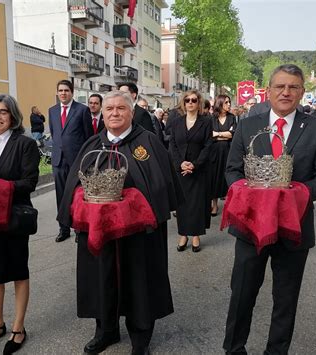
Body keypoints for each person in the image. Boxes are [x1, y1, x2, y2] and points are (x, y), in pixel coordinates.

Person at [57, 90, 183, 355]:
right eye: (109, 109)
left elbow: (161, 184)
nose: (114, 113)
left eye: (120, 109)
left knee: (139, 281)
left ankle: (140, 339)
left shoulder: (147, 143)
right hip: (101, 233)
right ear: (102, 113)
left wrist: (133, 201)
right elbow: (74, 186)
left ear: (132, 112)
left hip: (138, 235)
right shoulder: (92, 144)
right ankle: (106, 331)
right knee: (100, 279)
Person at [223, 64, 316, 354]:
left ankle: (276, 351)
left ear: (301, 92)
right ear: (269, 90)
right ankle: (234, 349)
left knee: (285, 299)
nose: (286, 92)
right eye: (280, 86)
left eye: (293, 87)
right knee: (242, 294)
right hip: (250, 226)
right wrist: (244, 194)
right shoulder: (248, 125)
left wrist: (299, 194)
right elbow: (232, 170)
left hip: (293, 228)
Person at [0, 94, 39, 355]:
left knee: (17, 271)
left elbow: (30, 182)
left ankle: (18, 327)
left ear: (13, 117)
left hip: (13, 218)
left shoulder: (25, 144)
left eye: (3, 112)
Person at [49, 79, 93, 242]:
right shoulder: (52, 111)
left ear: (72, 92)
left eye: (66, 90)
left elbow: (88, 137)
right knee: (61, 195)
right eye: (60, 90)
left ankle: (79, 228)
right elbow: (55, 134)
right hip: (58, 161)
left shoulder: (82, 110)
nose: (63, 93)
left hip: (77, 161)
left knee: (77, 194)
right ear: (57, 92)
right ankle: (64, 228)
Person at [170, 90, 213, 253]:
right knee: (182, 204)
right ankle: (183, 234)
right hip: (180, 170)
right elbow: (172, 145)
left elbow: (208, 146)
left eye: (194, 100)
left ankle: (195, 235)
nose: (190, 103)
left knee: (197, 204)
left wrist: (195, 165)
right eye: (187, 100)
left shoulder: (206, 122)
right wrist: (180, 164)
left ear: (198, 103)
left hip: (199, 169)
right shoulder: (176, 122)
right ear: (183, 102)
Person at [210, 95, 237, 216]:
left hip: (228, 150)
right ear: (220, 103)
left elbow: (232, 134)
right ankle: (214, 205)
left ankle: (229, 205)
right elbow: (210, 134)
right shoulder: (212, 118)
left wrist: (218, 134)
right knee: (214, 177)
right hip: (214, 152)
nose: (229, 104)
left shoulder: (232, 118)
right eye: (226, 102)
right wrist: (223, 134)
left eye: (229, 102)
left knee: (227, 176)